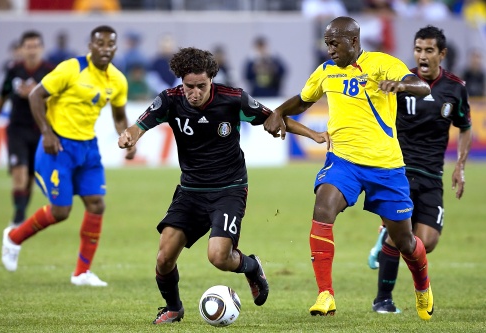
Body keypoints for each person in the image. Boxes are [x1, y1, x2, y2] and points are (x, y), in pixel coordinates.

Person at [117, 47, 329, 324]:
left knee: (218, 257)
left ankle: (251, 267)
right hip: (190, 191)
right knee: (163, 258)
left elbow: (273, 118)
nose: (194, 92)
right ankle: (173, 308)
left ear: (212, 79)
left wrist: (311, 134)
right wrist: (129, 136)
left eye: (201, 86)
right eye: (188, 86)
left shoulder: (232, 99)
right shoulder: (170, 100)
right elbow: (140, 125)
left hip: (229, 189)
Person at [264, 16, 434, 320]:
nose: (329, 49)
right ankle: (325, 294)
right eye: (326, 43)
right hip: (343, 161)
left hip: (386, 166)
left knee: (405, 241)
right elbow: (304, 101)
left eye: (334, 43)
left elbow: (420, 86)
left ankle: (422, 287)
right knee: (323, 207)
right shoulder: (325, 72)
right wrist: (279, 111)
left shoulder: (381, 63)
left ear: (353, 41)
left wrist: (401, 85)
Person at [0, 25, 136, 287]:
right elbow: (36, 96)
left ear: (116, 48)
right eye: (100, 44)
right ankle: (14, 237)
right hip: (58, 147)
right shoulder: (70, 68)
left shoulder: (118, 79)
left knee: (97, 203)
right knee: (61, 211)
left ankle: (81, 273)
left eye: (111, 45)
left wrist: (129, 137)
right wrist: (47, 133)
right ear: (90, 46)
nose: (106, 49)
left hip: (88, 148)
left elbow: (119, 115)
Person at [367, 25, 472, 314]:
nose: (422, 56)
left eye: (428, 50)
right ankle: (383, 300)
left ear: (442, 54)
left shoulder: (455, 88)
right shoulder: (402, 83)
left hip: (432, 175)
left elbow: (464, 128)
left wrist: (460, 166)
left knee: (426, 241)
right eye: (418, 50)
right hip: (398, 171)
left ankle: (387, 235)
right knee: (401, 236)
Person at [0, 31, 54, 226]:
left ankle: (21, 213)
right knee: (19, 173)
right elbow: (1, 97)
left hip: (41, 130)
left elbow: (59, 100)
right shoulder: (14, 70)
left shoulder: (50, 71)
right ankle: (18, 217)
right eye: (28, 46)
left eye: (35, 46)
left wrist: (35, 95)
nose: (32, 50)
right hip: (17, 129)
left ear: (41, 48)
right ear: (22, 49)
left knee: (31, 177)